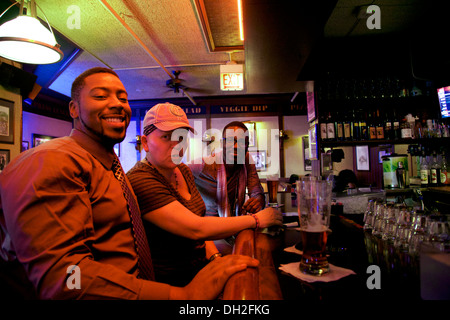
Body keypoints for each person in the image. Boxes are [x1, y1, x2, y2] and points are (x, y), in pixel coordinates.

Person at [0, 67, 259, 300]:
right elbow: (65, 279)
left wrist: (211, 259)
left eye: (122, 98)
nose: (116, 104)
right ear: (74, 109)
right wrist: (181, 295)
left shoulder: (109, 166)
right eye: (101, 96)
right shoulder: (52, 159)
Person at [126, 105, 283, 286]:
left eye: (181, 137)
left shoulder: (182, 170)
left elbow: (200, 230)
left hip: (201, 267)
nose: (176, 145)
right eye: (166, 137)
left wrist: (216, 258)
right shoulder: (141, 178)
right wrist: (257, 220)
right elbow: (196, 228)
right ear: (145, 143)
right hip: (171, 285)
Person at [189, 121, 266, 218]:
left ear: (247, 146)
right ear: (222, 143)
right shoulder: (205, 165)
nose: (236, 147)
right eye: (230, 140)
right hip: (207, 225)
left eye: (242, 142)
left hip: (234, 222)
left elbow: (256, 192)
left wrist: (258, 201)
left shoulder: (247, 161)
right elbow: (177, 172)